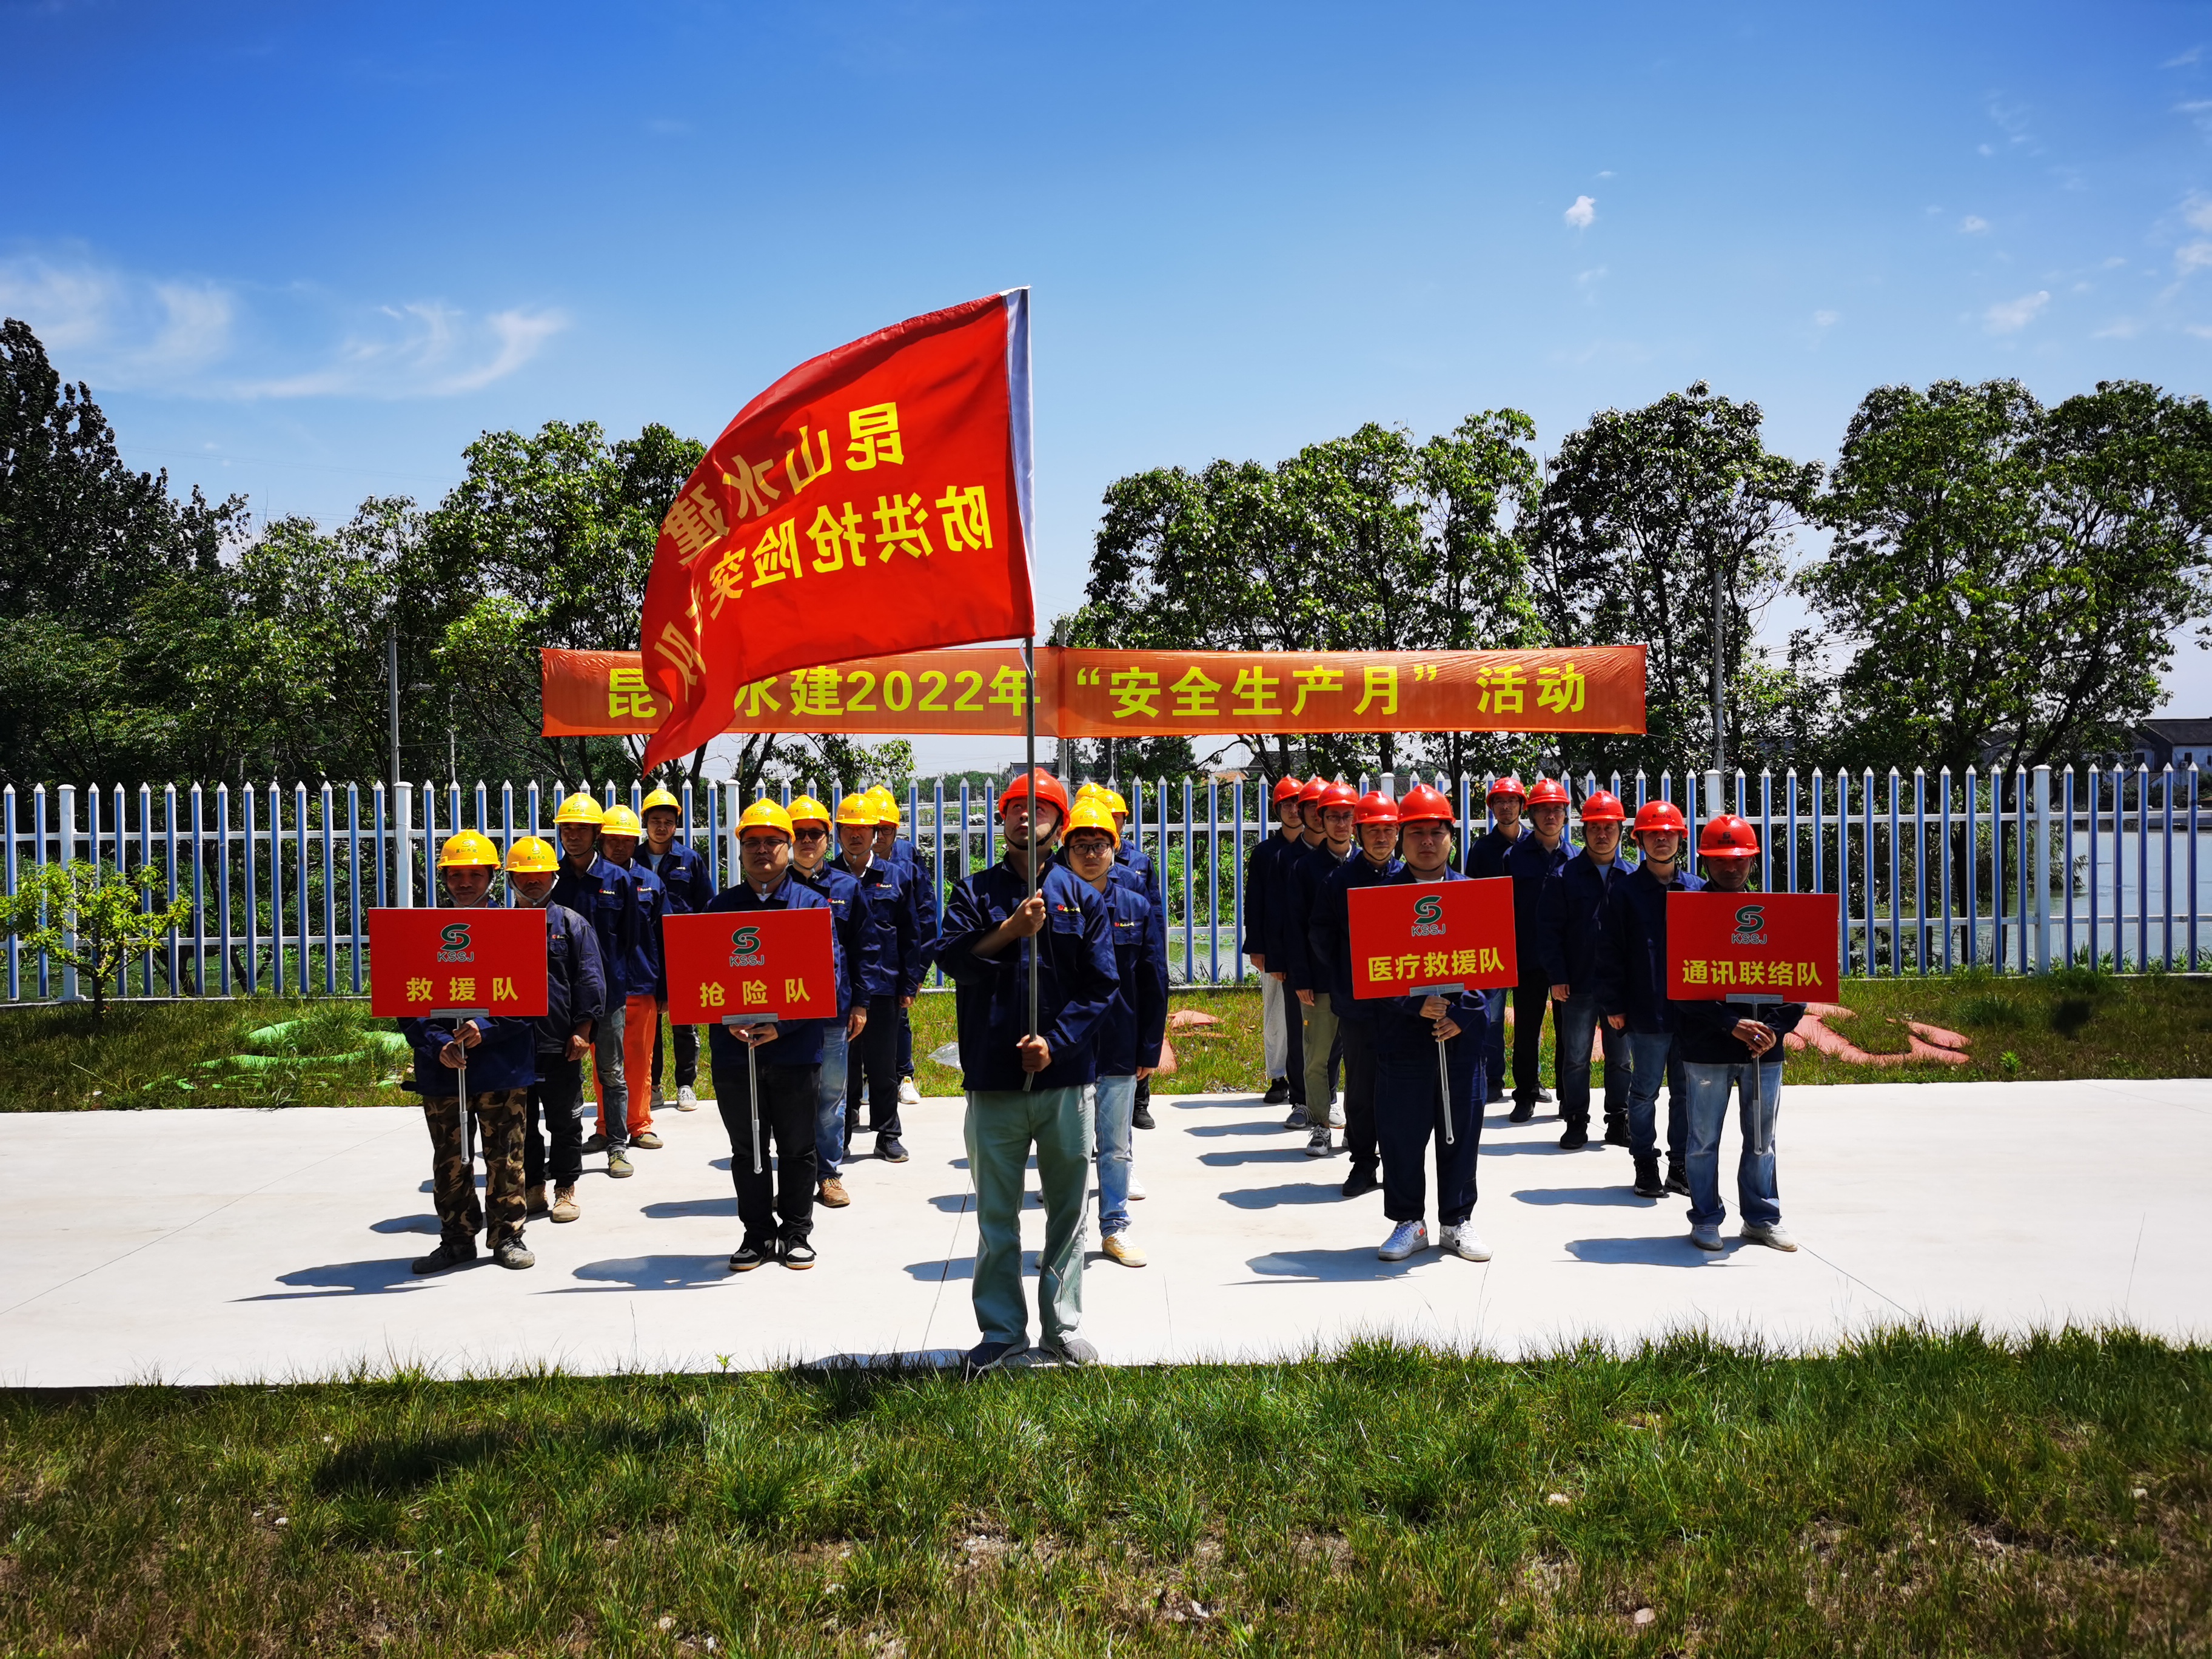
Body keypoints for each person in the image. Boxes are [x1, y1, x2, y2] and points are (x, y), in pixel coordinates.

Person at [935, 768, 1118, 1373]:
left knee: (1068, 1213)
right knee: (996, 1214)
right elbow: (954, 959)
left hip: (1065, 1082)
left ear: (1058, 824)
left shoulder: (1084, 898)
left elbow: (1101, 986)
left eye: (1039, 808)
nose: (1024, 817)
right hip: (994, 1078)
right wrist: (1011, 930)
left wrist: (1055, 1045)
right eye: (1015, 807)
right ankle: (1001, 1330)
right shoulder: (974, 892)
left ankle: (1062, 1326)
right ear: (1002, 820)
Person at [702, 799, 840, 1270]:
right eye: (752, 842)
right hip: (735, 1051)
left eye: (773, 842)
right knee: (747, 1149)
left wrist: (782, 1026)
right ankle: (757, 1234)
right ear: (740, 850)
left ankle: (797, 1232)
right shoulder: (720, 908)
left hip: (795, 1050)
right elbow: (702, 977)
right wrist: (728, 1020)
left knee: (798, 1147)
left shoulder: (812, 906)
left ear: (789, 847)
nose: (762, 850)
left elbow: (828, 977)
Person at [400, 831, 540, 1274]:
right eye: (455, 875)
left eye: (474, 875)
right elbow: (406, 998)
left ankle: (508, 1236)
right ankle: (457, 1239)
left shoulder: (515, 928)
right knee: (450, 1161)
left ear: (492, 877)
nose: (464, 883)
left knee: (506, 1157)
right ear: (443, 878)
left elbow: (532, 997)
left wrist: (488, 1027)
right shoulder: (422, 933)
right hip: (443, 1069)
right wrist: (436, 1043)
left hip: (501, 1067)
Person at [1674, 814, 1803, 1252]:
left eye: (1739, 860)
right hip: (1706, 1048)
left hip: (1764, 1050)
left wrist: (1774, 1028)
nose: (1730, 868)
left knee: (1762, 1140)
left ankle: (1762, 1218)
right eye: (1720, 860)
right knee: (1702, 1141)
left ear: (1753, 861)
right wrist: (1730, 1024)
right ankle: (1705, 1217)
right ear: (1705, 862)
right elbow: (1679, 987)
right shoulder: (1689, 914)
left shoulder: (1778, 916)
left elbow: (1802, 978)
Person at [1371, 786, 1490, 1262]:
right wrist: (1411, 1003)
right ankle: (1409, 1222)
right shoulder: (1382, 899)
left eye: (1436, 832)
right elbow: (1370, 970)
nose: (1426, 842)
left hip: (1460, 1041)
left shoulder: (1474, 895)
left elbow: (1493, 966)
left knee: (1460, 1131)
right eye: (1416, 833)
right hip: (1403, 1040)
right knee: (1401, 1135)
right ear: (1402, 839)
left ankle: (1456, 1221)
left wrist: (1463, 1013)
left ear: (1451, 837)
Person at [1059, 800, 1167, 1267]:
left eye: (1099, 845)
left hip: (1120, 1041)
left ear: (1115, 849)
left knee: (1116, 1147)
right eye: (1081, 846)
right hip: (1066, 1045)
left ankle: (1116, 1228)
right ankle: (1067, 1234)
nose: (1090, 854)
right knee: (1067, 1149)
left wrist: (1149, 1046)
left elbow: (1154, 980)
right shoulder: (1051, 904)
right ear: (1066, 851)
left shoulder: (1135, 907)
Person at [1597, 799, 1700, 1200]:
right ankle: (1645, 1162)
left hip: (1692, 1013)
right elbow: (1609, 952)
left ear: (1680, 839)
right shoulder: (1624, 892)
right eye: (1653, 834)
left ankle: (1680, 1165)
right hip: (1646, 1010)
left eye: (1669, 833)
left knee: (1686, 1093)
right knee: (1643, 1092)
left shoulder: (1697, 890)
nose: (1662, 840)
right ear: (1639, 841)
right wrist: (1614, 1005)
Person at [506, 834, 604, 1226]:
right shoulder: (499, 927)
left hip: (561, 1043)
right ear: (510, 879)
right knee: (521, 1123)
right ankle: (533, 1187)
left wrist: (583, 1030)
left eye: (541, 875)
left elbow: (590, 979)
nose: (533, 882)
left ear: (553, 877)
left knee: (564, 1121)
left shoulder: (571, 924)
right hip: (512, 1045)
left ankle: (565, 1187)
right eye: (524, 876)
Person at [1311, 789, 1403, 1198]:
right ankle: (1363, 1163)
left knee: (1402, 1086)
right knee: (1362, 1087)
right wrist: (1352, 971)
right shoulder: (1339, 881)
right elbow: (1321, 937)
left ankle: (1400, 1165)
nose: (1381, 838)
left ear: (1397, 833)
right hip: (1358, 1002)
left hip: (1406, 1005)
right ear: (1360, 834)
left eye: (1388, 830)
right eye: (1373, 831)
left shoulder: (1408, 879)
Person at [786, 794, 873, 1210]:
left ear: (828, 839)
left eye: (814, 834)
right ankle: (795, 1175)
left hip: (833, 1012)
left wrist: (860, 1003)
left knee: (830, 1098)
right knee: (789, 1098)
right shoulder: (773, 888)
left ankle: (829, 1173)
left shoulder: (847, 888)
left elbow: (863, 949)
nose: (807, 841)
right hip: (784, 1014)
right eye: (799, 834)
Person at [550, 792, 642, 1179]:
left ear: (596, 834)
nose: (573, 836)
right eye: (567, 829)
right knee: (563, 1075)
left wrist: (608, 978)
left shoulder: (618, 879)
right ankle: (566, 1150)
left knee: (612, 1072)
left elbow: (631, 937)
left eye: (581, 829)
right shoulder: (550, 878)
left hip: (608, 995)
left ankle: (617, 1144)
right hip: (561, 999)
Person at [1538, 789, 1636, 1151]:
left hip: (1620, 987)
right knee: (1576, 1057)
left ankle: (1619, 1119)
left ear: (1621, 831)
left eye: (1609, 827)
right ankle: (1576, 1119)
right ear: (1584, 831)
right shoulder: (1564, 876)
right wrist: (1557, 976)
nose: (1602, 834)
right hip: (1578, 984)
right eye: (1595, 827)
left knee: (1621, 1059)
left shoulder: (1632, 877)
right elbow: (1548, 930)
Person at [831, 793, 919, 1164]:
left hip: (883, 985)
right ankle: (841, 1137)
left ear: (875, 832)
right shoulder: (827, 879)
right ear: (838, 833)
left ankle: (887, 1135)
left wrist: (910, 983)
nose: (856, 836)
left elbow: (911, 933)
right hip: (839, 989)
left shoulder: (895, 877)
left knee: (884, 1067)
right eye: (848, 829)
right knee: (842, 1068)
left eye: (863, 829)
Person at [1283, 779, 1359, 1155]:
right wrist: (1301, 976)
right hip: (1320, 980)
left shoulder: (1368, 866)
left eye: (1347, 816)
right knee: (1316, 1058)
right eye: (1333, 817)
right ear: (1321, 820)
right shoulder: (1305, 868)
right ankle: (1320, 1126)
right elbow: (1294, 927)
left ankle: (1358, 1128)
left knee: (1361, 1059)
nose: (1341, 824)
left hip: (1365, 981)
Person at [592, 804, 668, 1156]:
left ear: (636, 842)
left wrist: (665, 988)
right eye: (613, 839)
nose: (619, 846)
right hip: (602, 987)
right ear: (601, 840)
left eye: (626, 840)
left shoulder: (650, 883)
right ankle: (606, 1126)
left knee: (639, 1057)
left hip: (641, 982)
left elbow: (665, 937)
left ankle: (639, 1124)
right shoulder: (592, 881)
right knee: (603, 1061)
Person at [638, 785, 713, 1114]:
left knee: (684, 1020)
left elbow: (706, 906)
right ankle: (652, 1086)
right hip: (645, 949)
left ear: (676, 825)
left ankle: (686, 1084)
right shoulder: (633, 859)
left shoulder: (690, 860)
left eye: (668, 821)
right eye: (656, 820)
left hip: (683, 948)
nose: (662, 827)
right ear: (646, 822)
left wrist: (701, 950)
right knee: (649, 1020)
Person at [1504, 777, 1572, 1124]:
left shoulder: (1576, 858)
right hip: (1527, 956)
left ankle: (1567, 1095)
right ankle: (1526, 1094)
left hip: (1564, 961)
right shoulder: (1514, 857)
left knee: (1568, 1032)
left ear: (1565, 815)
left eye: (1556, 809)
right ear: (1531, 815)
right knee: (1527, 1030)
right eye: (1543, 809)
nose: (1550, 816)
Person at [866, 785, 934, 1112]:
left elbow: (925, 915)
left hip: (897, 959)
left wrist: (918, 971)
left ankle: (904, 1075)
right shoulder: (850, 862)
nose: (879, 837)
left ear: (896, 831)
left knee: (899, 1016)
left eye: (887, 830)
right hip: (865, 960)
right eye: (874, 829)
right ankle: (867, 1079)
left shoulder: (908, 859)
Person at [1467, 776, 1527, 1105]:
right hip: (1493, 944)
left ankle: (1529, 1081)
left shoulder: (1534, 845)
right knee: (1492, 1015)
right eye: (1500, 802)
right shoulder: (1481, 850)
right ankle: (1493, 1078)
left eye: (1512, 801)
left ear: (1521, 806)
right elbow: (1472, 897)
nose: (1506, 807)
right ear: (1492, 808)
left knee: (1529, 1016)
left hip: (1530, 943)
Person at [1245, 775, 1305, 1104]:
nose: (1293, 810)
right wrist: (1256, 947)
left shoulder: (1316, 849)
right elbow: (1254, 902)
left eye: (1298, 804)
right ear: (1277, 810)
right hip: (1274, 946)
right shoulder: (1266, 853)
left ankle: (1307, 1078)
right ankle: (1278, 1077)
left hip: (1308, 948)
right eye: (1286, 805)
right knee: (1276, 1015)